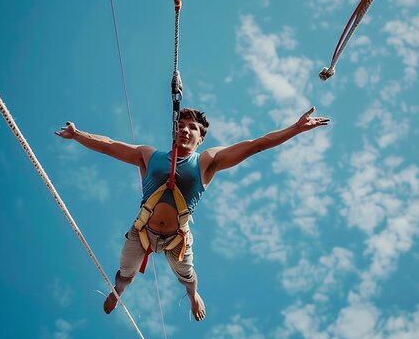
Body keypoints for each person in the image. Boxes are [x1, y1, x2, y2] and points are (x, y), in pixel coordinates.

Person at [55, 107, 330, 321]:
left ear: (201, 137)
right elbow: (108, 145)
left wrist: (295, 128)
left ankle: (193, 295)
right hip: (143, 232)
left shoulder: (207, 161)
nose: (186, 130)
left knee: (187, 274)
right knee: (125, 272)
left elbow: (255, 144)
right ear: (175, 132)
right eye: (182, 126)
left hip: (178, 239)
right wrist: (78, 134)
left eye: (193, 128)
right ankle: (120, 291)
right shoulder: (150, 155)